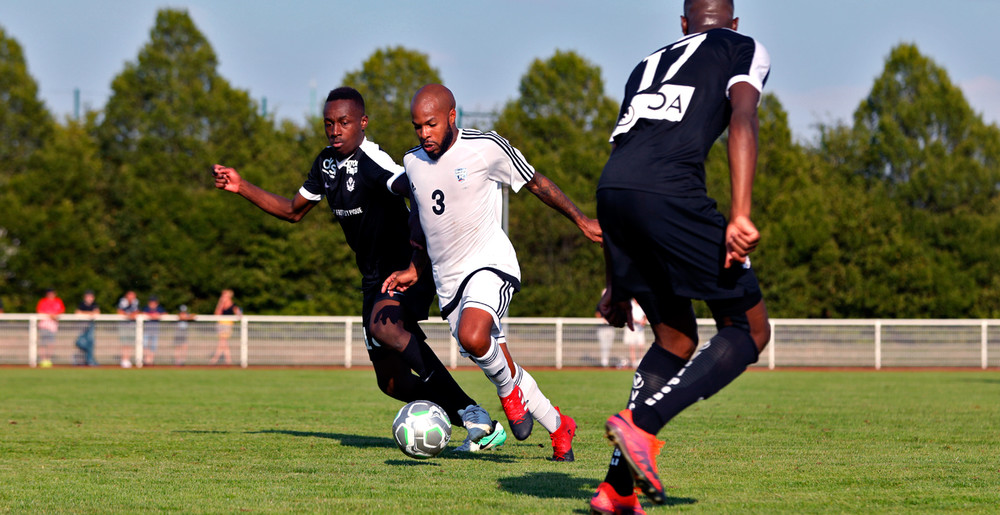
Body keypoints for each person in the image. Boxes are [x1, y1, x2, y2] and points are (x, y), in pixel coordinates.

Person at [211, 86, 505, 452]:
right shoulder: (326, 164)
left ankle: (472, 414)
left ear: (362, 123)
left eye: (344, 122)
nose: (335, 130)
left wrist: (420, 256)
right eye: (329, 123)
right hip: (372, 277)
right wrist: (241, 187)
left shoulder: (373, 161)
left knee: (385, 326)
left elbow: (417, 187)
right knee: (392, 383)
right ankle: (467, 415)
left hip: (405, 266)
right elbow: (292, 210)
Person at [590, 1, 773, 512]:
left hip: (614, 193)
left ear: (684, 24)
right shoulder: (742, 47)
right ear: (733, 23)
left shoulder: (644, 66)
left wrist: (616, 283)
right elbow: (743, 116)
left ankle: (617, 489)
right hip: (669, 195)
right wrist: (740, 213)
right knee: (749, 330)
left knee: (675, 336)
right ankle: (641, 428)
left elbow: (622, 164)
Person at [382, 83, 602, 461]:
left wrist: (581, 220)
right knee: (496, 357)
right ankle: (560, 426)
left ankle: (507, 395)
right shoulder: (413, 162)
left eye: (431, 124)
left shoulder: (486, 146)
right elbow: (422, 218)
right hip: (448, 282)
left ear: (452, 117)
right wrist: (416, 267)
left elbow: (536, 182)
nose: (424, 133)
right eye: (417, 126)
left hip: (490, 262)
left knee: (474, 336)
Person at [210, 289, 241, 365]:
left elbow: (239, 314)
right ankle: (228, 360)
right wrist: (220, 303)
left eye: (225, 295)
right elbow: (217, 314)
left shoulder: (233, 305)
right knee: (223, 342)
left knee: (222, 342)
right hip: (220, 324)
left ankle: (215, 359)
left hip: (228, 324)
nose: (223, 296)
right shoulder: (222, 305)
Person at [35, 289, 65, 367]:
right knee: (43, 343)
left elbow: (61, 311)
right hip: (44, 325)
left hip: (53, 325)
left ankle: (48, 359)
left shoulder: (58, 301)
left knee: (51, 343)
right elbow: (40, 311)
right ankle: (43, 359)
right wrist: (51, 315)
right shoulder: (43, 301)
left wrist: (53, 316)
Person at [74, 290, 100, 366]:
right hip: (82, 326)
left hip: (90, 326)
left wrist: (85, 313)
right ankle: (89, 357)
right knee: (79, 342)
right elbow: (77, 313)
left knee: (90, 342)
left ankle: (90, 360)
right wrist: (90, 314)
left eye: (90, 296)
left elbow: (97, 313)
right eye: (87, 296)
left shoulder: (95, 304)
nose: (89, 298)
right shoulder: (81, 304)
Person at [622, 299, 648, 368]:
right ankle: (633, 362)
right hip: (632, 328)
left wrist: (644, 321)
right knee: (632, 346)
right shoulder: (630, 304)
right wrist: (637, 321)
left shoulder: (642, 304)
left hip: (640, 328)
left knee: (641, 345)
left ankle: (640, 361)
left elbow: (646, 314)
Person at [116, 290, 140, 368]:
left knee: (130, 343)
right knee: (124, 343)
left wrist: (130, 315)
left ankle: (127, 359)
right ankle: (123, 359)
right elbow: (119, 311)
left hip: (132, 326)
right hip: (123, 325)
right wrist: (128, 315)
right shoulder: (122, 302)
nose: (131, 297)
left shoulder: (136, 302)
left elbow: (137, 312)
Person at [141, 295, 166, 366]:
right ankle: (145, 359)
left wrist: (158, 315)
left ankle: (151, 360)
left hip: (155, 331)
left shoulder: (159, 308)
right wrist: (150, 316)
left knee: (153, 346)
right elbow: (142, 313)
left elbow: (165, 314)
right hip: (146, 330)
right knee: (145, 345)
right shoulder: (146, 308)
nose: (152, 304)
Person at [595, 289, 616, 368]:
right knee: (603, 345)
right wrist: (603, 319)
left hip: (610, 328)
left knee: (609, 345)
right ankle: (604, 361)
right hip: (602, 328)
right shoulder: (600, 304)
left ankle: (606, 360)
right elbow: (597, 314)